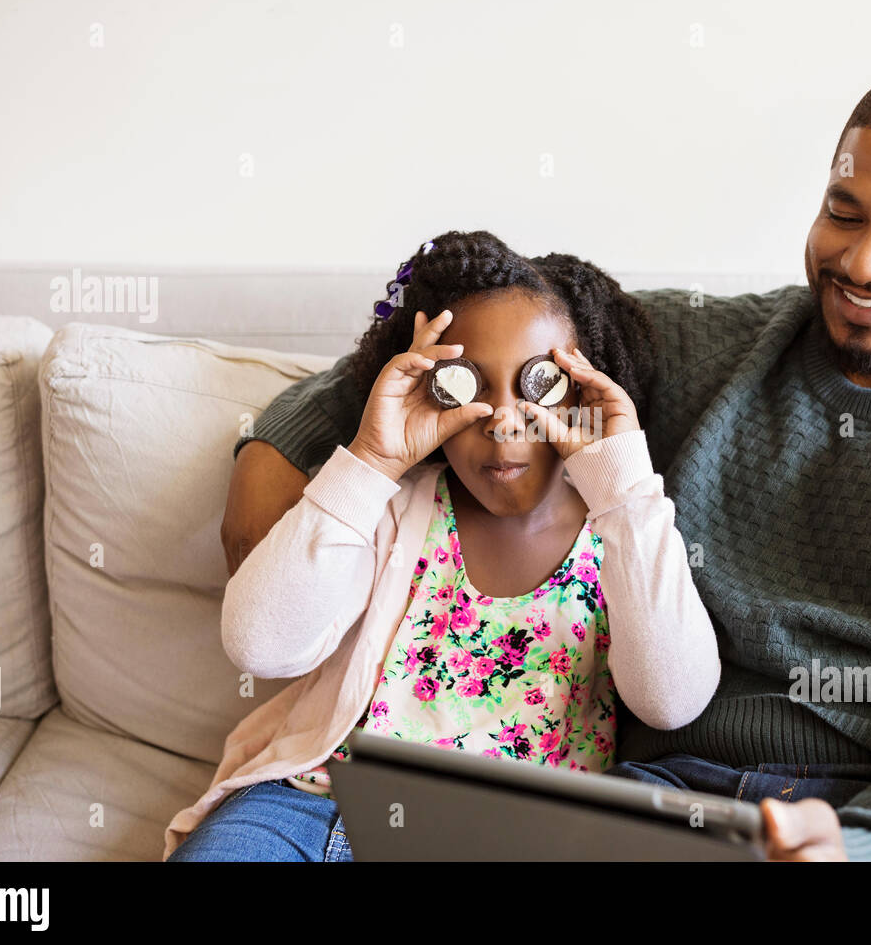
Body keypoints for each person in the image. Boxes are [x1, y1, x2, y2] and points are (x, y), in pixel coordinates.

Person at [214, 62, 871, 861]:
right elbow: (473, 331)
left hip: (862, 814)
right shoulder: (702, 345)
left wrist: (870, 847)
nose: (866, 264)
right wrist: (282, 454)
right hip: (646, 800)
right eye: (844, 213)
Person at [165, 231, 721, 860]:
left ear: (589, 387)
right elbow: (258, 645)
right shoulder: (389, 506)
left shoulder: (623, 531)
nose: (503, 419)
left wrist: (624, 490)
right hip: (309, 809)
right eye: (467, 385)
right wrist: (371, 461)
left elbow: (673, 700)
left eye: (540, 383)